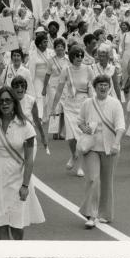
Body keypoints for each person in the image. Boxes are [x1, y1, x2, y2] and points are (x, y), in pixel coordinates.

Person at [0, 86, 45, 240]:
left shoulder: (26, 126)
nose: (4, 104)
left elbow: (29, 158)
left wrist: (25, 185)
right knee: (0, 222)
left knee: (17, 224)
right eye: (1, 101)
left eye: (8, 100)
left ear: (14, 102)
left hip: (18, 177)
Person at [76, 75, 125, 228]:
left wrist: (116, 143)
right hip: (91, 147)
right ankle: (91, 214)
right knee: (92, 179)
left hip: (110, 147)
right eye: (100, 85)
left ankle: (105, 214)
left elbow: (120, 126)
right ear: (95, 87)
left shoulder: (115, 104)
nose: (103, 88)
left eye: (105, 85)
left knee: (106, 181)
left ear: (109, 87)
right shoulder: (87, 103)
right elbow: (80, 121)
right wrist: (85, 129)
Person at [50, 46, 96, 178]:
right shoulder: (66, 70)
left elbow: (94, 86)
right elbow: (59, 90)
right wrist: (54, 108)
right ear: (71, 57)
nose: (80, 58)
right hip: (69, 105)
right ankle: (74, 155)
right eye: (77, 56)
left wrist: (94, 104)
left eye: (81, 56)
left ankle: (80, 166)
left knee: (81, 137)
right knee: (70, 137)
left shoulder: (88, 69)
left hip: (84, 105)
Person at [42, 38, 70, 140]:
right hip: (53, 87)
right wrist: (44, 88)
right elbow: (47, 74)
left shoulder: (68, 59)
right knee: (55, 108)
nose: (59, 48)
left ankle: (62, 131)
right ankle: (54, 130)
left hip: (65, 88)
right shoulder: (51, 60)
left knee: (63, 110)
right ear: (55, 48)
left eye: (61, 46)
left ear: (64, 48)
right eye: (57, 46)